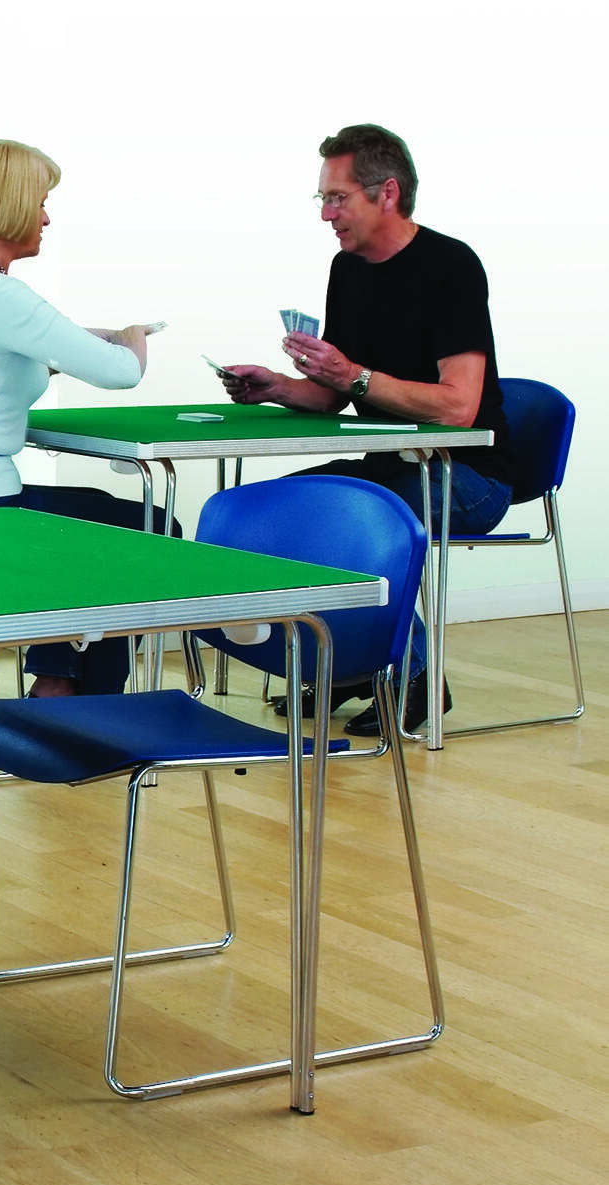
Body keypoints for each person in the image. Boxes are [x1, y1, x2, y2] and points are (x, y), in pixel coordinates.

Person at [218, 123, 513, 735]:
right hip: (386, 464)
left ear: (387, 193)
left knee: (347, 526)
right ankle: (349, 671)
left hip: (465, 474)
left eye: (338, 197)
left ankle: (413, 679)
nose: (326, 214)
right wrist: (278, 385)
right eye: (322, 199)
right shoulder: (347, 268)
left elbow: (459, 407)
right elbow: (334, 396)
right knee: (274, 514)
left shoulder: (451, 267)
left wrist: (352, 376)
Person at [0, 138, 170, 697]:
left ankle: (59, 677)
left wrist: (62, 350)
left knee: (99, 520)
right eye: (42, 201)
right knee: (150, 528)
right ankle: (71, 697)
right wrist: (130, 339)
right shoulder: (3, 295)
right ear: (11, 205)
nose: (48, 217)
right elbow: (123, 373)